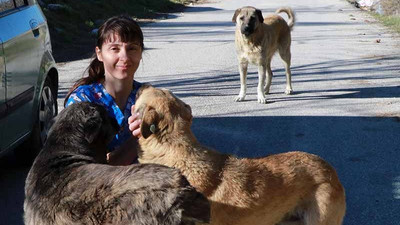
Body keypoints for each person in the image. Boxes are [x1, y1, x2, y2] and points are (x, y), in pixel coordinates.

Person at [64, 15, 144, 165]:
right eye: (115, 49)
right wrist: (140, 139)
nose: (124, 57)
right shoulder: (82, 102)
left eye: (132, 48)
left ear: (141, 53)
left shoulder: (148, 96)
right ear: (99, 53)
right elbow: (80, 169)